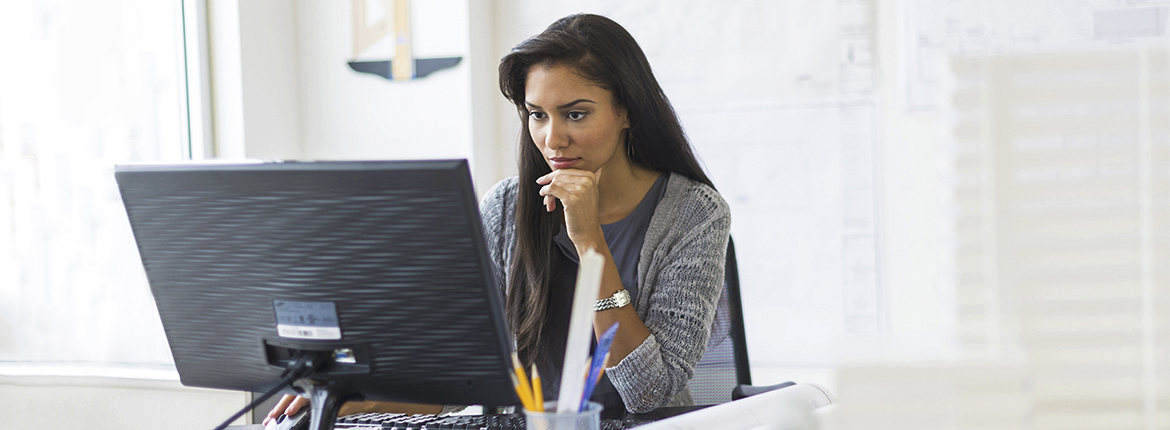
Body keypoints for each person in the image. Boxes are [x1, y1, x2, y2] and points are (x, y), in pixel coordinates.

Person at [266, 13, 729, 424]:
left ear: (626, 110)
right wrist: (359, 402)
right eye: (537, 115)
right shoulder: (507, 207)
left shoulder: (694, 215)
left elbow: (648, 394)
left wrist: (591, 245)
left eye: (576, 114)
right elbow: (463, 375)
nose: (553, 139)